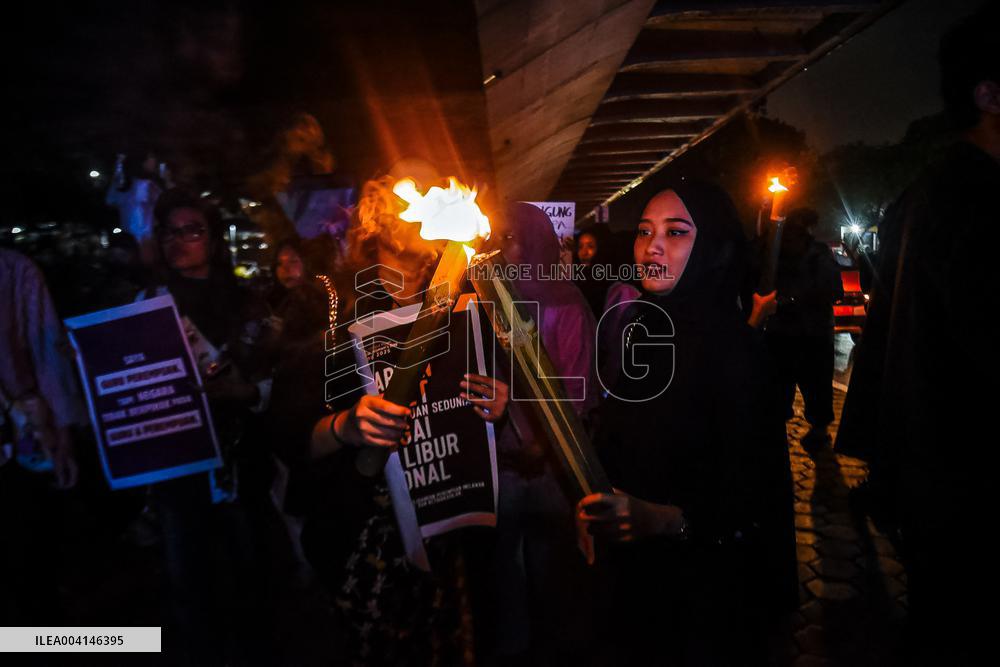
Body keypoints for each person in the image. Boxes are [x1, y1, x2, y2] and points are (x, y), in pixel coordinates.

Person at [268, 175, 510, 665]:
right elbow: (287, 433)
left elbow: (474, 423)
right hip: (363, 528)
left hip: (446, 530)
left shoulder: (464, 298)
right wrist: (346, 427)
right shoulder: (330, 307)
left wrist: (494, 407)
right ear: (375, 216)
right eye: (408, 187)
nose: (425, 194)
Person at [835, 7, 1000, 663]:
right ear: (989, 94)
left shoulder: (928, 191)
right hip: (971, 490)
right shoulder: (978, 199)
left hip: (934, 485)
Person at [579, 183, 796, 665]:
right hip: (633, 592)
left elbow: (750, 497)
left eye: (675, 232)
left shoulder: (737, 352)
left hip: (704, 603)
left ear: (714, 248)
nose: (651, 246)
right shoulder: (642, 331)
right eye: (643, 232)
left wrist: (663, 519)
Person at [143, 189, 284, 664]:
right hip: (176, 469)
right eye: (169, 232)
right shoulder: (145, 306)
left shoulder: (248, 305)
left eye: (192, 230)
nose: (178, 241)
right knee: (189, 581)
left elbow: (275, 384)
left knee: (250, 576)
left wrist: (243, 394)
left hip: (241, 461)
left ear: (213, 240)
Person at [487, 202, 600, 663]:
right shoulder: (489, 302)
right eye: (499, 237)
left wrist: (540, 442)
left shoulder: (567, 304)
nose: (502, 247)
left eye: (511, 237)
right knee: (502, 580)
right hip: (503, 469)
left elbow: (575, 395)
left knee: (551, 571)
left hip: (551, 473)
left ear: (534, 240)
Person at [1, 247, 84, 624]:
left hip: (20, 435)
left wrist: (62, 435)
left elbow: (47, 352)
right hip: (22, 428)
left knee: (28, 564)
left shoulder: (15, 270)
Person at [763, 208, 842, 448]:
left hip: (813, 335)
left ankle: (818, 429)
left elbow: (833, 291)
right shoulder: (774, 255)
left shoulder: (819, 255)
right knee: (777, 388)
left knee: (816, 385)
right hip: (780, 335)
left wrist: (794, 300)